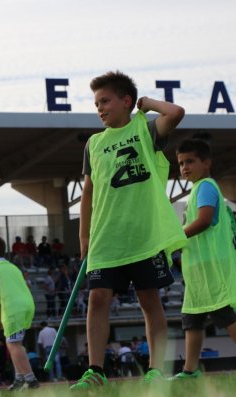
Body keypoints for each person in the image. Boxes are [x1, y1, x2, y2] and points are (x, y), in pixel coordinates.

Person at [72, 71, 187, 389]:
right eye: (96, 103)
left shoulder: (145, 128)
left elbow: (175, 113)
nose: (100, 108)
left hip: (144, 235)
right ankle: (95, 370)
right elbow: (88, 194)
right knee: (98, 298)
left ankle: (156, 369)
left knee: (149, 299)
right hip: (107, 237)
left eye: (105, 100)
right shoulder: (94, 144)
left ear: (126, 101)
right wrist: (83, 236)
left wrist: (147, 103)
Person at [171, 139, 236, 379]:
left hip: (210, 265)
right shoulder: (197, 189)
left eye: (190, 161)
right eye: (180, 163)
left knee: (223, 314)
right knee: (192, 318)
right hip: (198, 267)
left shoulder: (206, 186)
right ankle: (190, 370)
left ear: (206, 162)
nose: (184, 167)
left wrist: (173, 239)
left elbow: (204, 220)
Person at [0, 236, 39, 390]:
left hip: (13, 308)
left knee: (13, 344)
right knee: (15, 343)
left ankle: (31, 379)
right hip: (27, 305)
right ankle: (19, 379)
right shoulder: (13, 266)